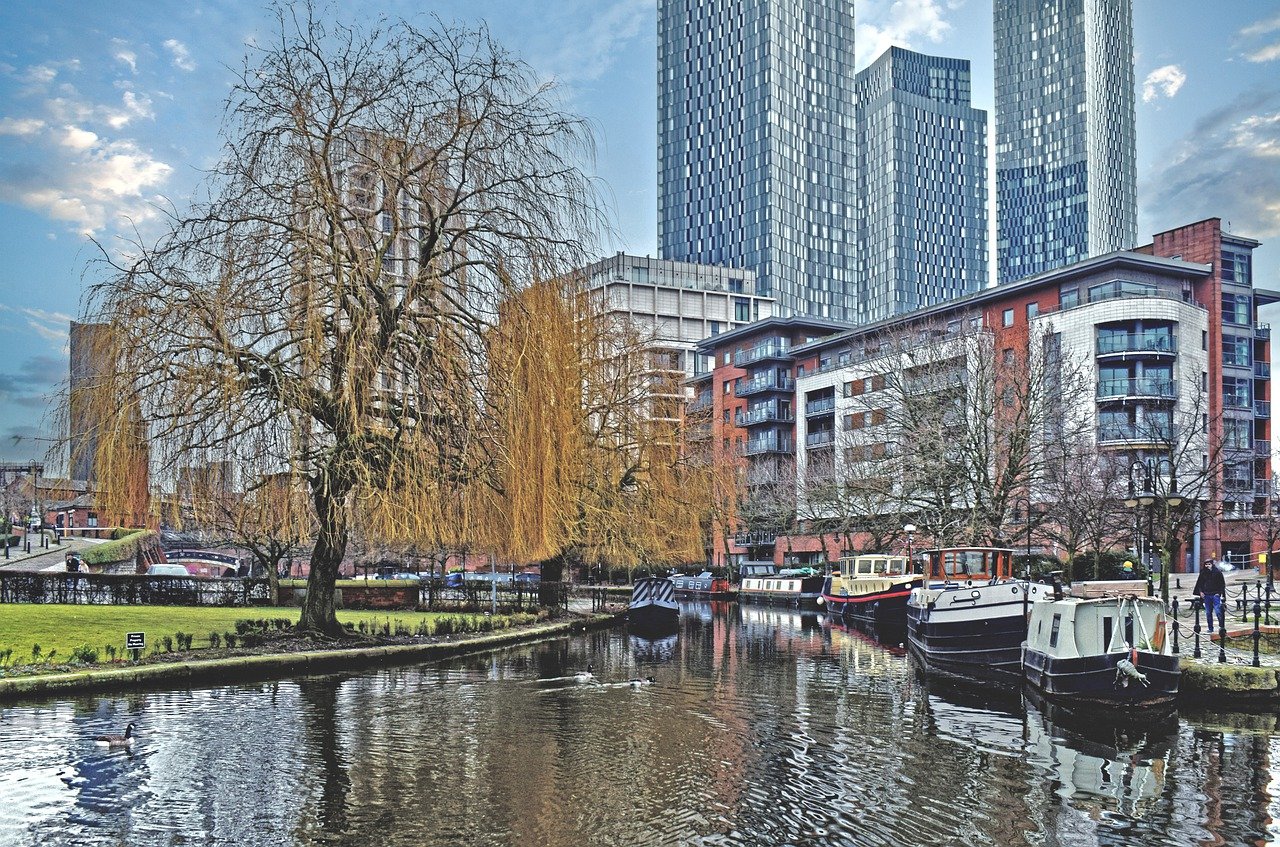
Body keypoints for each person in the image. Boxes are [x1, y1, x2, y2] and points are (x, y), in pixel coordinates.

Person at [1193, 558, 1226, 633]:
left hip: (1215, 594)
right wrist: (1201, 592)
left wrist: (1219, 593)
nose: (1207, 566)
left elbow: (1222, 584)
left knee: (1218, 611)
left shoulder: (1217, 572)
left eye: (1209, 564)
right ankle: (1210, 628)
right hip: (1206, 594)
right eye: (1206, 564)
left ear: (1212, 565)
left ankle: (1221, 625)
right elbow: (1200, 583)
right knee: (1208, 612)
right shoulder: (1203, 573)